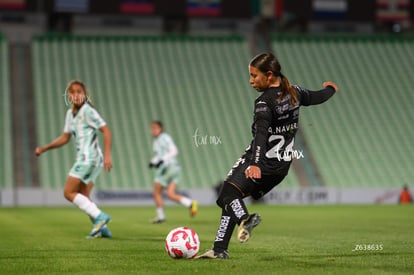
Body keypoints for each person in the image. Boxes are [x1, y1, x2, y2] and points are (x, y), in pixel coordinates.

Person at [197, 52, 338, 259]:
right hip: (280, 168)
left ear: (269, 75)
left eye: (254, 75)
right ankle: (219, 250)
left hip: (261, 161)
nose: (251, 80)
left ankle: (245, 220)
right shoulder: (295, 93)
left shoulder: (264, 102)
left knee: (227, 195)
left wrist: (255, 163)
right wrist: (331, 89)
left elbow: (261, 134)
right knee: (231, 198)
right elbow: (317, 97)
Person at [35, 80, 112, 238]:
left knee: (68, 192)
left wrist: (108, 155)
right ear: (68, 96)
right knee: (84, 195)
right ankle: (102, 229)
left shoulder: (88, 111)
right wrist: (45, 148)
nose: (76, 95)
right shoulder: (70, 114)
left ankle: (100, 217)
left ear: (84, 95)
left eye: (79, 92)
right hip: (90, 159)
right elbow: (65, 137)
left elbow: (106, 130)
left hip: (88, 158)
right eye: (72, 92)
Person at [149, 121, 198, 223]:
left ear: (161, 129)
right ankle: (190, 203)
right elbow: (158, 156)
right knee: (170, 194)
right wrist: (152, 162)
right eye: (152, 128)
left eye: (155, 128)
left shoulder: (164, 137)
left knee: (156, 192)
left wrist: (162, 160)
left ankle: (161, 216)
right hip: (175, 168)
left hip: (168, 168)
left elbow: (174, 150)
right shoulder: (157, 141)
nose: (153, 130)